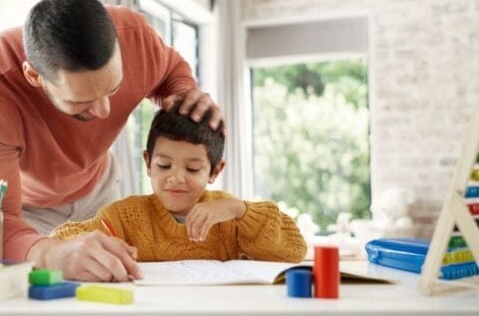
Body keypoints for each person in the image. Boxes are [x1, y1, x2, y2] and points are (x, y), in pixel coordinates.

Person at [0, 0, 225, 282]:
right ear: (34, 76)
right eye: (82, 102)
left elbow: (169, 70)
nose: (105, 111)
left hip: (99, 186)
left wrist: (183, 94)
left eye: (113, 89)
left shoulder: (134, 37)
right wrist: (50, 254)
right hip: (28, 212)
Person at [50, 105, 307, 264]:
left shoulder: (229, 217)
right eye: (164, 166)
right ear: (148, 163)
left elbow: (294, 250)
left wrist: (241, 210)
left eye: (193, 169)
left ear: (215, 170)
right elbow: (60, 240)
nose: (176, 177)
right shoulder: (125, 217)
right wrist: (92, 247)